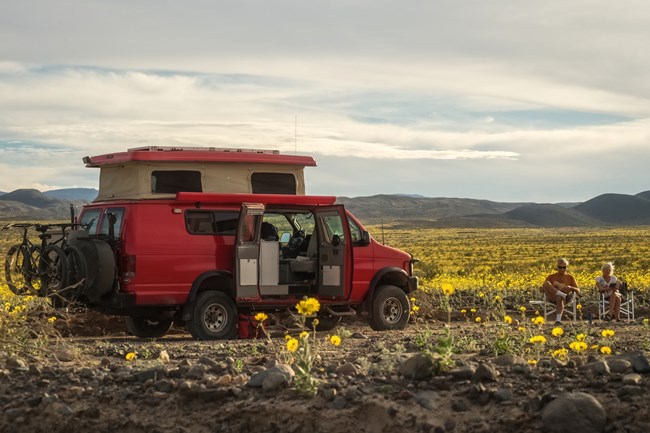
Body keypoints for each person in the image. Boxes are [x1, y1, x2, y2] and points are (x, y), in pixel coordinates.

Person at [541, 258, 581, 325]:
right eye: (560, 267)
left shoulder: (570, 277)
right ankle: (561, 294)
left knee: (559, 297)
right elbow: (542, 289)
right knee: (546, 283)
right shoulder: (551, 276)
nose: (562, 269)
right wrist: (543, 288)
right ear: (557, 267)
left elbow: (578, 291)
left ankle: (558, 320)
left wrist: (571, 287)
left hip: (563, 299)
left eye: (564, 267)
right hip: (551, 297)